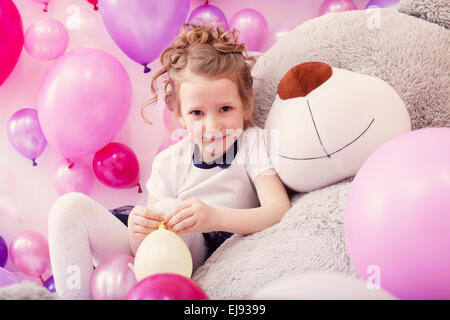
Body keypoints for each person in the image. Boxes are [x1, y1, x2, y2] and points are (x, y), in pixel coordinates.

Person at [48, 22, 291, 300]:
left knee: (169, 208)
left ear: (246, 104)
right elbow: (147, 249)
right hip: (151, 260)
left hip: (205, 251)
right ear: (180, 117)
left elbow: (278, 210)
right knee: (67, 208)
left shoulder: (252, 143)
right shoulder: (169, 161)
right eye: (197, 113)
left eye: (225, 109)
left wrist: (214, 218)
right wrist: (138, 229)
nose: (213, 125)